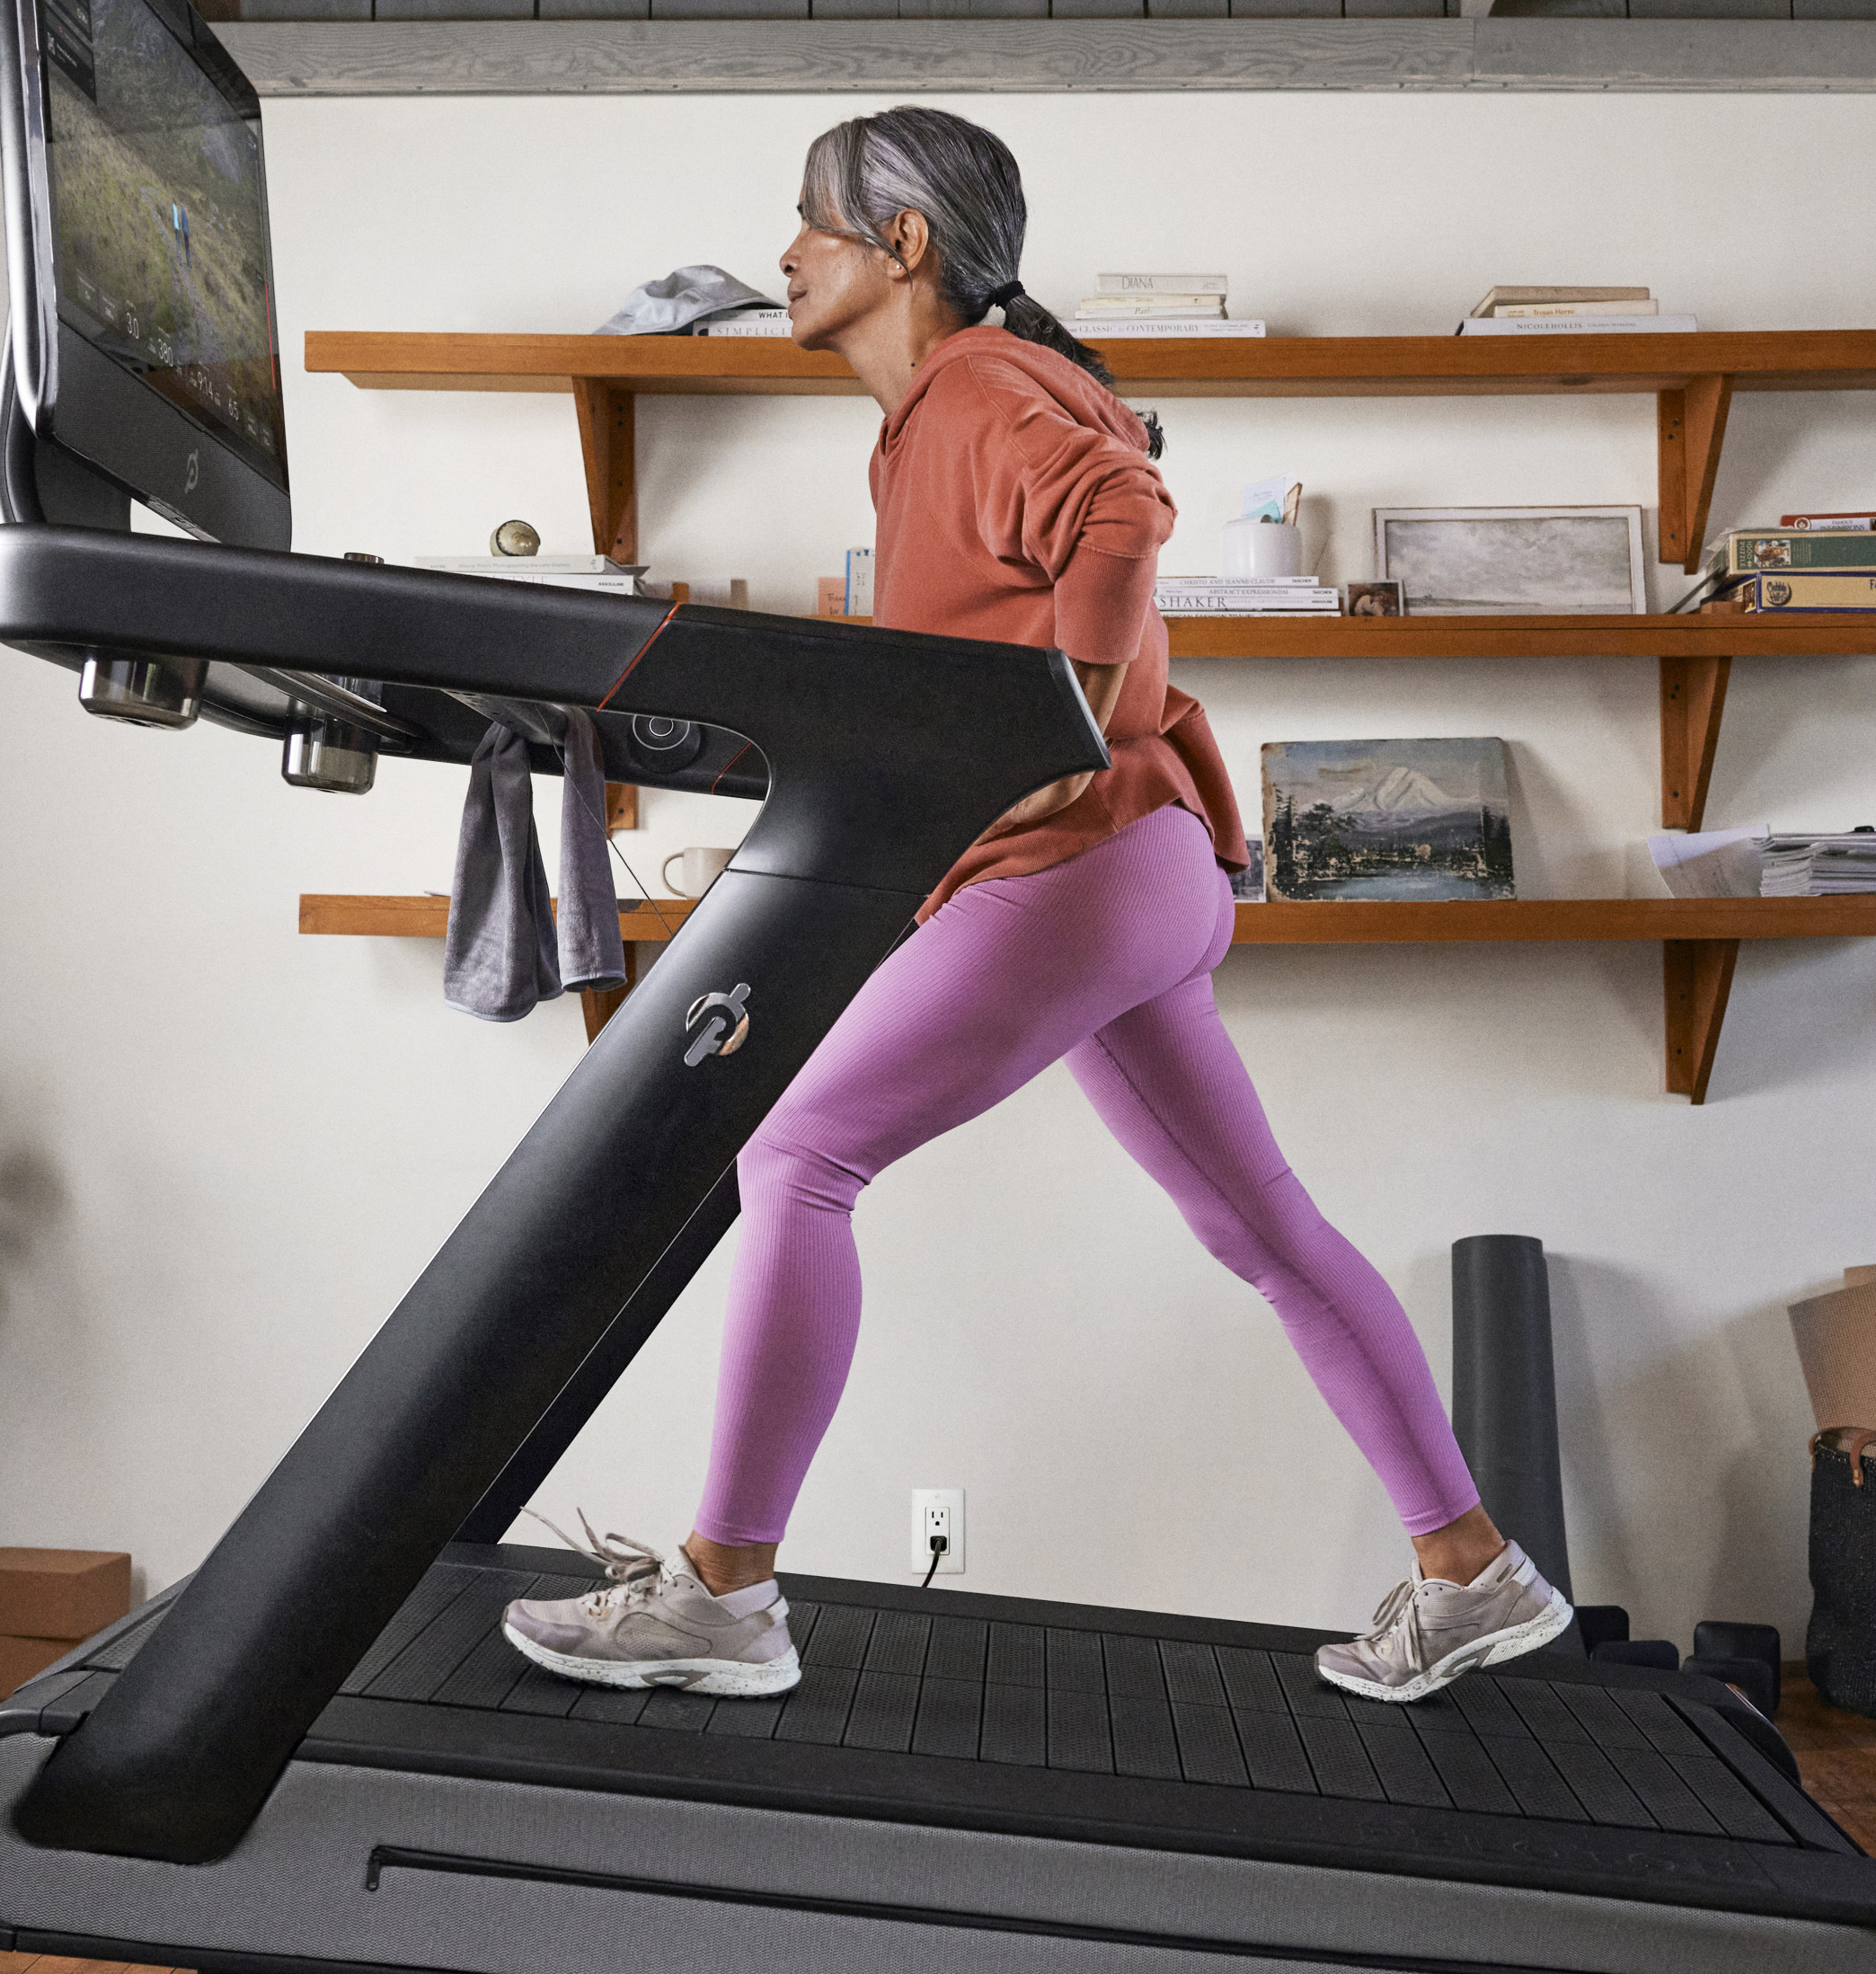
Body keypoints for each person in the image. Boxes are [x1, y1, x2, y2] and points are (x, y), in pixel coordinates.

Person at [503, 107, 1571, 1705]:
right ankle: (1473, 1568)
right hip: (1145, 875)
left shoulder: (974, 388)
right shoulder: (942, 407)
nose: (785, 254)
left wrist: (1059, 723)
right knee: (1264, 1228)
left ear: (903, 246)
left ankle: (725, 1590)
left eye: (812, 223)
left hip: (1080, 872)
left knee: (795, 1151)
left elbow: (1122, 507)